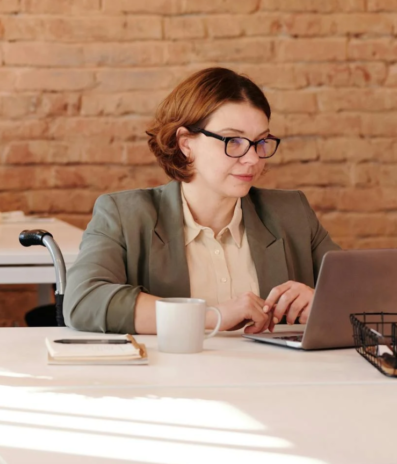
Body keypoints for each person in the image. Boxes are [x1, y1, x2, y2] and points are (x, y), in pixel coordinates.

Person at [65, 67, 340, 335]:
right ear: (186, 143)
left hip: (277, 380)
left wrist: (323, 301)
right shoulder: (125, 215)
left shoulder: (292, 213)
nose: (253, 158)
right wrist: (212, 316)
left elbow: (365, 292)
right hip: (168, 379)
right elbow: (83, 301)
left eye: (260, 142)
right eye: (233, 141)